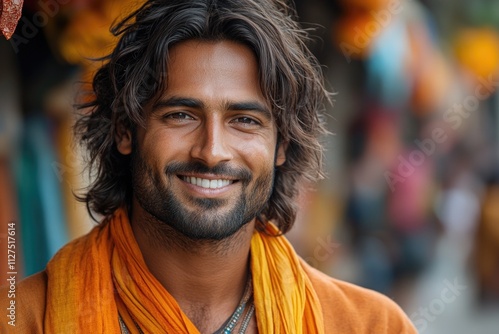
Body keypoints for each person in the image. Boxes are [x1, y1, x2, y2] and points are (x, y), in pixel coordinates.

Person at [1, 0, 417, 332]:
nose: (212, 151)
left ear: (281, 145)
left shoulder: (371, 325)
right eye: (181, 115)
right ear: (125, 130)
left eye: (244, 121)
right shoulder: (25, 320)